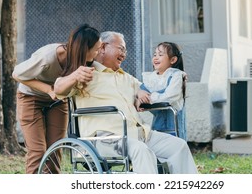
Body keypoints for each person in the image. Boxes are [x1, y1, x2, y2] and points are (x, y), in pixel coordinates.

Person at [54, 31, 198, 174]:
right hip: (105, 139)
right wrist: (74, 76)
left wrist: (175, 78)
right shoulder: (86, 74)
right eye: (121, 48)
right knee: (141, 150)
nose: (124, 54)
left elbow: (149, 90)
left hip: (139, 134)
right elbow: (58, 89)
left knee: (179, 146)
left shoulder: (126, 77)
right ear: (103, 47)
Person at [12, 24, 102, 174]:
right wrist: (49, 90)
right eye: (97, 49)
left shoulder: (84, 62)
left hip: (58, 102)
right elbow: (17, 74)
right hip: (31, 98)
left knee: (55, 149)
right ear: (85, 49)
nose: (98, 53)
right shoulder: (48, 56)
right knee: (38, 151)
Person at [137, 42, 187, 140]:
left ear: (173, 60)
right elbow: (141, 91)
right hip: (157, 124)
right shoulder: (151, 78)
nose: (156, 57)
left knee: (175, 148)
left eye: (160, 55)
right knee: (157, 148)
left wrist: (148, 98)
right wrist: (139, 98)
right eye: (155, 54)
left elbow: (170, 96)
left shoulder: (176, 76)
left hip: (174, 125)